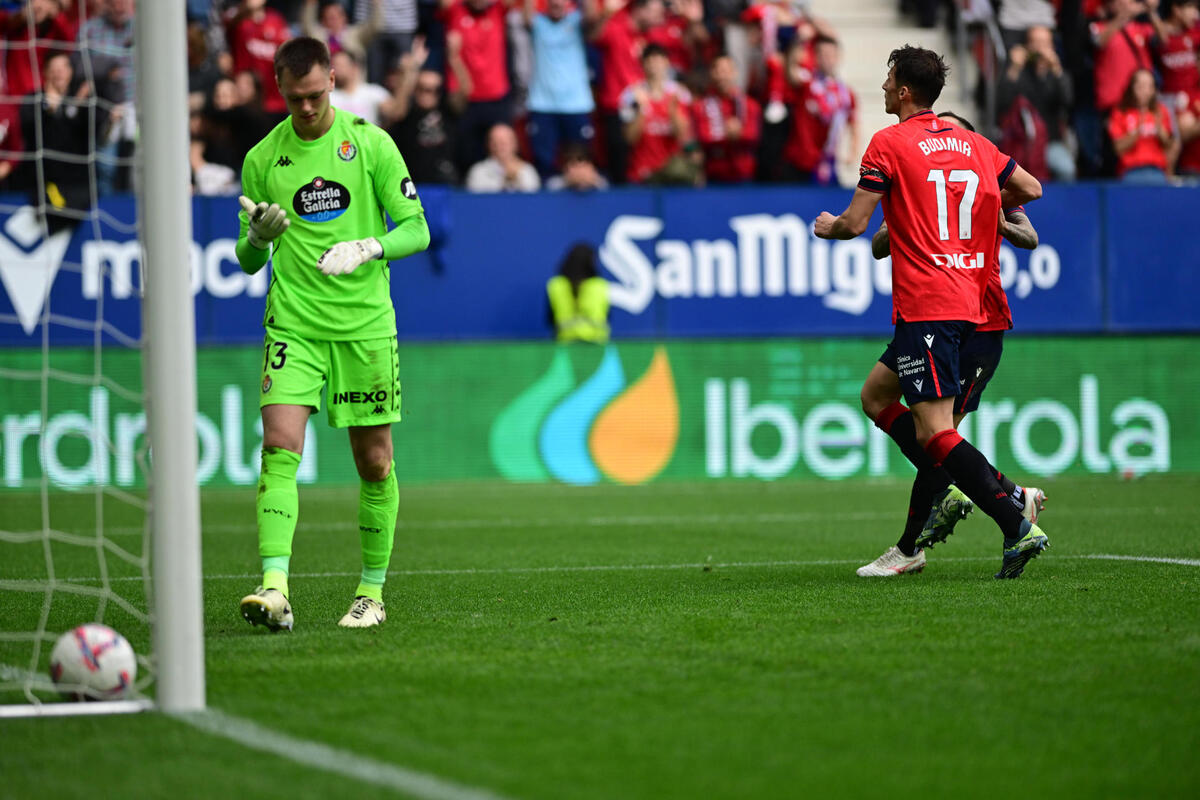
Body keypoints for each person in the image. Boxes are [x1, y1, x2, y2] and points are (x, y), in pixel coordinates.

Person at [813, 46, 1049, 580]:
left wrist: (829, 226)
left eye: (887, 79)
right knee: (876, 396)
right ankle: (991, 494)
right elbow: (1031, 189)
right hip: (963, 299)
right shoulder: (972, 143)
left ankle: (1012, 518)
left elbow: (854, 225)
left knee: (937, 433)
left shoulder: (889, 143)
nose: (882, 88)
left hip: (930, 301)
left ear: (901, 91)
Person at [235, 36, 430, 631]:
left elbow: (417, 229)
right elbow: (246, 260)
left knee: (374, 462)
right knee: (279, 445)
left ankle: (371, 593)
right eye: (296, 99)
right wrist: (260, 238)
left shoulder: (369, 143)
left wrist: (370, 246)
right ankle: (275, 588)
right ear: (280, 90)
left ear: (333, 80)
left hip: (364, 328)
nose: (308, 109)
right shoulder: (264, 158)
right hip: (294, 323)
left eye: (317, 95)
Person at [858, 110, 1047, 577]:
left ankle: (909, 549)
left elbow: (1030, 234)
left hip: (978, 319)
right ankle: (1013, 497)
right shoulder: (921, 183)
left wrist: (994, 220)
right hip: (932, 312)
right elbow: (880, 244)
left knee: (935, 436)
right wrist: (902, 218)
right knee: (877, 396)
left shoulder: (986, 176)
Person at [522, 0, 596, 177]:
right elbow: (525, 17)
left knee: (580, 160)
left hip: (576, 104)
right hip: (542, 104)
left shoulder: (576, 21)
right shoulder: (538, 24)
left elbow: (592, 16)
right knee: (543, 162)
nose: (556, 2)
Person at [997, 25, 1076, 182]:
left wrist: (1057, 69)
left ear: (1052, 47)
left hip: (1051, 142)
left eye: (1045, 43)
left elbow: (1068, 101)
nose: (1040, 48)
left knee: (1067, 170)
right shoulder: (1020, 71)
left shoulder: (1056, 74)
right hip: (1020, 143)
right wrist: (1014, 68)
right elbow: (1003, 103)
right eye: (1036, 42)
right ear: (1027, 46)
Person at [782, 34, 857, 185]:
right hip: (800, 162)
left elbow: (854, 123)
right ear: (815, 57)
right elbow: (791, 73)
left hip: (828, 161)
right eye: (822, 54)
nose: (827, 58)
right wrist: (799, 40)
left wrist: (853, 152)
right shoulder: (807, 82)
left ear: (838, 57)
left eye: (830, 54)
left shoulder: (845, 92)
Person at [388, 36, 464, 184]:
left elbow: (465, 92)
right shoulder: (407, 113)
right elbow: (396, 112)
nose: (428, 93)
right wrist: (411, 69)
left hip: (445, 183)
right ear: (415, 90)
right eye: (423, 89)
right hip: (413, 184)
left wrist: (454, 59)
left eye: (434, 90)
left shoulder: (447, 111)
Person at [621, 43, 699, 185]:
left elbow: (683, 135)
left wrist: (673, 111)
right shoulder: (631, 95)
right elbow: (630, 139)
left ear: (666, 62)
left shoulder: (680, 94)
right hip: (641, 173)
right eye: (649, 61)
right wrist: (642, 109)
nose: (653, 65)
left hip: (673, 173)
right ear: (642, 64)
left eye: (657, 60)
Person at [692, 54, 761, 184]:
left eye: (726, 71)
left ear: (735, 73)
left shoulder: (750, 105)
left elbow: (753, 136)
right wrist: (727, 134)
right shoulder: (700, 106)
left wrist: (738, 134)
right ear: (711, 74)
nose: (721, 76)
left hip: (743, 175)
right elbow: (703, 136)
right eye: (717, 71)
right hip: (714, 174)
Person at [1108, 68, 1176, 182]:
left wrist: (1160, 130)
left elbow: (1170, 146)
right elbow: (1118, 148)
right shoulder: (1120, 112)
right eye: (1141, 86)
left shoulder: (1161, 111)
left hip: (1157, 170)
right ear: (1132, 87)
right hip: (1130, 171)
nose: (1145, 90)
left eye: (1149, 86)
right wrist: (1137, 131)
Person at [546, 243, 610, 343]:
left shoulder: (556, 284)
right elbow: (607, 316)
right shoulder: (599, 285)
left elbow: (550, 319)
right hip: (596, 344)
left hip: (565, 344)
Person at [330, 50, 403, 127]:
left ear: (354, 68)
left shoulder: (373, 92)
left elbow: (395, 113)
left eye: (340, 65)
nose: (335, 70)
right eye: (333, 66)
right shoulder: (329, 96)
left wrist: (405, 80)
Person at [301, 0, 382, 66]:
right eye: (330, 18)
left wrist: (376, 5)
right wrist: (310, 4)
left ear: (344, 18)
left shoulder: (355, 34)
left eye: (337, 16)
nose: (334, 20)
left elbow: (374, 26)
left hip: (352, 82)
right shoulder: (320, 35)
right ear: (323, 21)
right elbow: (307, 26)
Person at [465, 122, 540, 191]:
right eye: (495, 142)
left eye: (504, 142)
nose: (500, 147)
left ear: (515, 144)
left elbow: (533, 200)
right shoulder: (478, 171)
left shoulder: (527, 170)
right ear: (488, 145)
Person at [544, 142, 610, 190]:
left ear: (592, 167)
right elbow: (551, 188)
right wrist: (568, 182)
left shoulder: (602, 183)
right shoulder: (555, 183)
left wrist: (594, 181)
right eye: (574, 166)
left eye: (583, 166)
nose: (579, 171)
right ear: (565, 168)